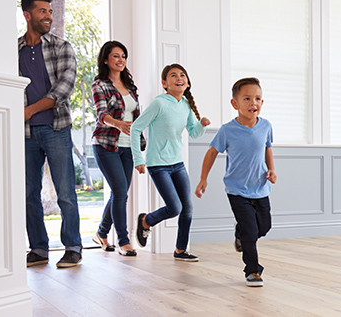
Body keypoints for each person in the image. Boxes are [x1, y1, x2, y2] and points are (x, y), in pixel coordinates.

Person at [18, 0, 82, 268]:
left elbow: (64, 88)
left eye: (50, 11)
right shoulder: (13, 50)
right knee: (29, 193)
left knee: (65, 191)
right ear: (27, 15)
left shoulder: (61, 47)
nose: (48, 16)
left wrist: (29, 111)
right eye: (43, 11)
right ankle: (38, 248)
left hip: (56, 128)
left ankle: (73, 246)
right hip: (24, 134)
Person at [194, 77, 276, 287]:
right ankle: (253, 270)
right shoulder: (227, 130)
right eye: (247, 98)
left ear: (262, 102)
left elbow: (267, 148)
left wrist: (272, 170)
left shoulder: (265, 126)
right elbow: (211, 153)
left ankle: (240, 233)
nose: (253, 103)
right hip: (237, 190)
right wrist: (203, 178)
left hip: (260, 188)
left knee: (263, 227)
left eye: (257, 98)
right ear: (235, 104)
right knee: (251, 232)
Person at [132, 63, 210, 261]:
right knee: (174, 208)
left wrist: (201, 125)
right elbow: (135, 128)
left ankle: (180, 250)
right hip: (157, 164)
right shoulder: (159, 103)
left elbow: (193, 133)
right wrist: (138, 159)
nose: (179, 78)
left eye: (182, 75)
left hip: (177, 163)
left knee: (188, 208)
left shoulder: (185, 105)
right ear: (164, 83)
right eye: (173, 75)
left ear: (187, 82)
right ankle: (146, 221)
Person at [91, 41, 144, 256]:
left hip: (128, 147)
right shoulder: (100, 85)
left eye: (123, 56)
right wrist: (119, 124)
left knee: (119, 193)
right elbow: (101, 114)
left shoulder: (130, 87)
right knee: (121, 192)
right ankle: (124, 241)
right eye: (116, 56)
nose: (121, 60)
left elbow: (137, 117)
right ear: (106, 60)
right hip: (106, 144)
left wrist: (139, 147)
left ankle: (101, 234)